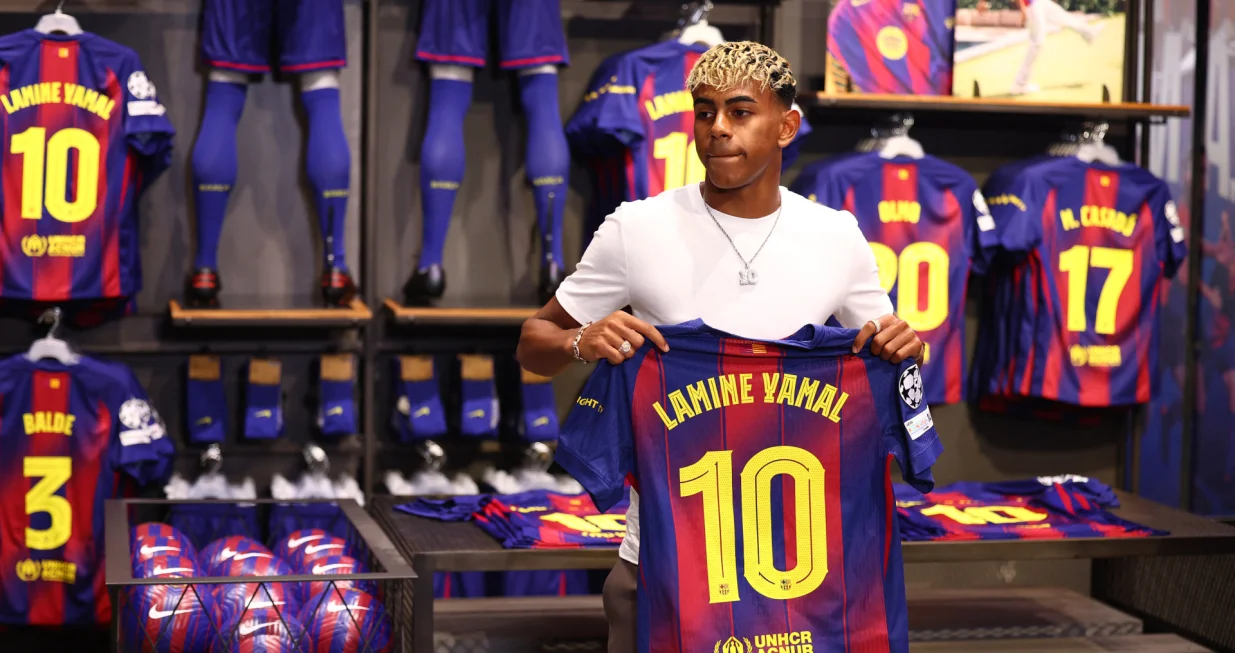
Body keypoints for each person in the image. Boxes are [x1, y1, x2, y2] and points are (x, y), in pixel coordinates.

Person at [515, 41, 924, 653]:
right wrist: (582, 339)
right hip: (660, 561)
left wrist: (908, 346)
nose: (717, 130)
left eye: (739, 112)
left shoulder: (834, 236)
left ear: (785, 126)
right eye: (704, 112)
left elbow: (895, 359)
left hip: (802, 571)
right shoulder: (638, 227)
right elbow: (532, 346)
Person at [1010, 0, 1100, 95]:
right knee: (1037, 43)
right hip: (1031, 6)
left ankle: (1089, 33)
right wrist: (1023, 10)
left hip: (1039, 2)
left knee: (1063, 16)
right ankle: (1020, 84)